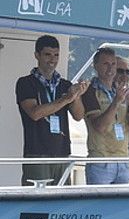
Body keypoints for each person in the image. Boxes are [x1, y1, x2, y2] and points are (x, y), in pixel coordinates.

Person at [15, 35, 88, 185]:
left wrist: (77, 95)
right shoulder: (25, 83)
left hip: (62, 153)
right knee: (37, 203)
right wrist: (66, 98)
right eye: (48, 54)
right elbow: (35, 113)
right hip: (37, 153)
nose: (52, 60)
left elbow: (79, 115)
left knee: (61, 203)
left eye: (56, 55)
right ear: (37, 55)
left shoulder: (65, 84)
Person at [81, 48, 129, 184]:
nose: (110, 69)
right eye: (105, 64)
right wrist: (116, 102)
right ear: (95, 66)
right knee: (99, 205)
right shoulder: (90, 90)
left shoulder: (122, 91)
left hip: (123, 160)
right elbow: (100, 126)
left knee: (125, 205)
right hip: (101, 162)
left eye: (113, 64)